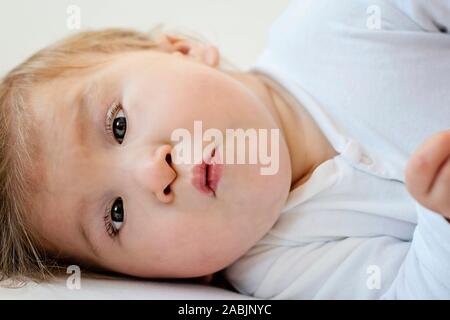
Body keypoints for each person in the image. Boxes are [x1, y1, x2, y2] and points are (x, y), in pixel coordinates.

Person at [0, 0, 449, 299]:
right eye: (115, 215)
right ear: (177, 277)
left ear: (184, 50)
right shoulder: (276, 270)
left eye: (118, 125)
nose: (153, 173)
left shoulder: (330, 27)